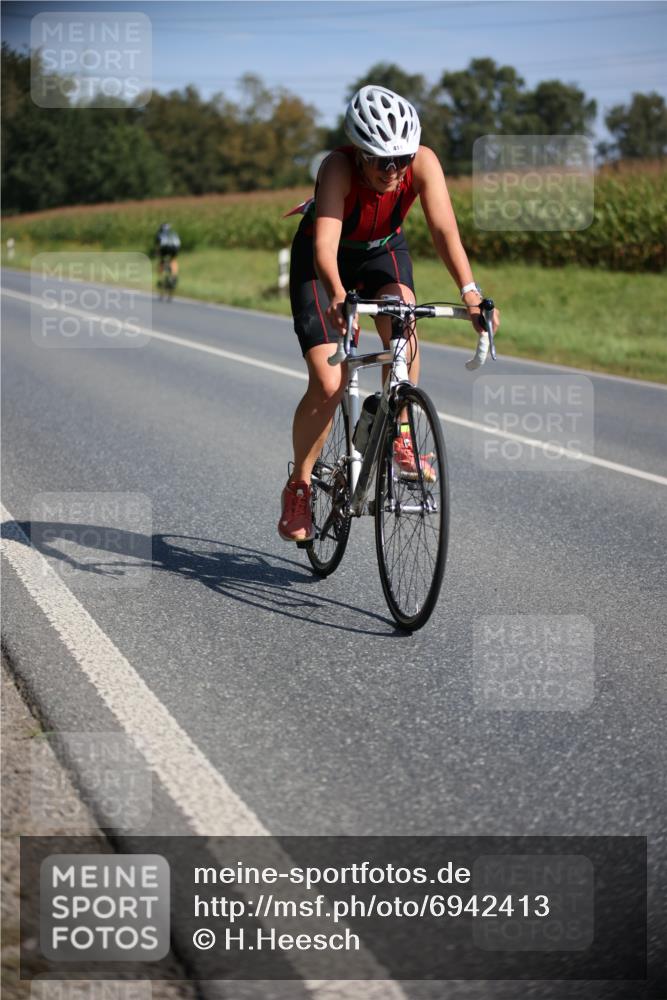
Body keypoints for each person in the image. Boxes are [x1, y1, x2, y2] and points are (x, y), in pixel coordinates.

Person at [278, 84, 500, 543]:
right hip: (326, 260)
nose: (394, 170)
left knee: (404, 328)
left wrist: (472, 293)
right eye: (382, 160)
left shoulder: (423, 163)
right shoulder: (337, 168)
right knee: (329, 380)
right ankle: (299, 485)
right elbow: (325, 248)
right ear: (359, 154)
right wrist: (338, 294)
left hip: (382, 252)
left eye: (401, 158)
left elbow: (443, 229)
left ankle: (399, 430)